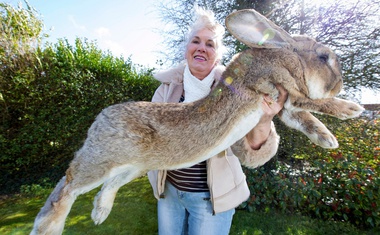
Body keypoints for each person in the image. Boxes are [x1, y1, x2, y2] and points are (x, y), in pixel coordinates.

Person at [148, 7, 288, 235]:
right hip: (170, 195)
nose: (202, 48)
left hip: (212, 201)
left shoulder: (237, 90)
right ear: (187, 49)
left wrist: (265, 119)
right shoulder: (166, 90)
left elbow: (253, 151)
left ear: (217, 55)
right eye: (196, 41)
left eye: (210, 44)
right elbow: (151, 137)